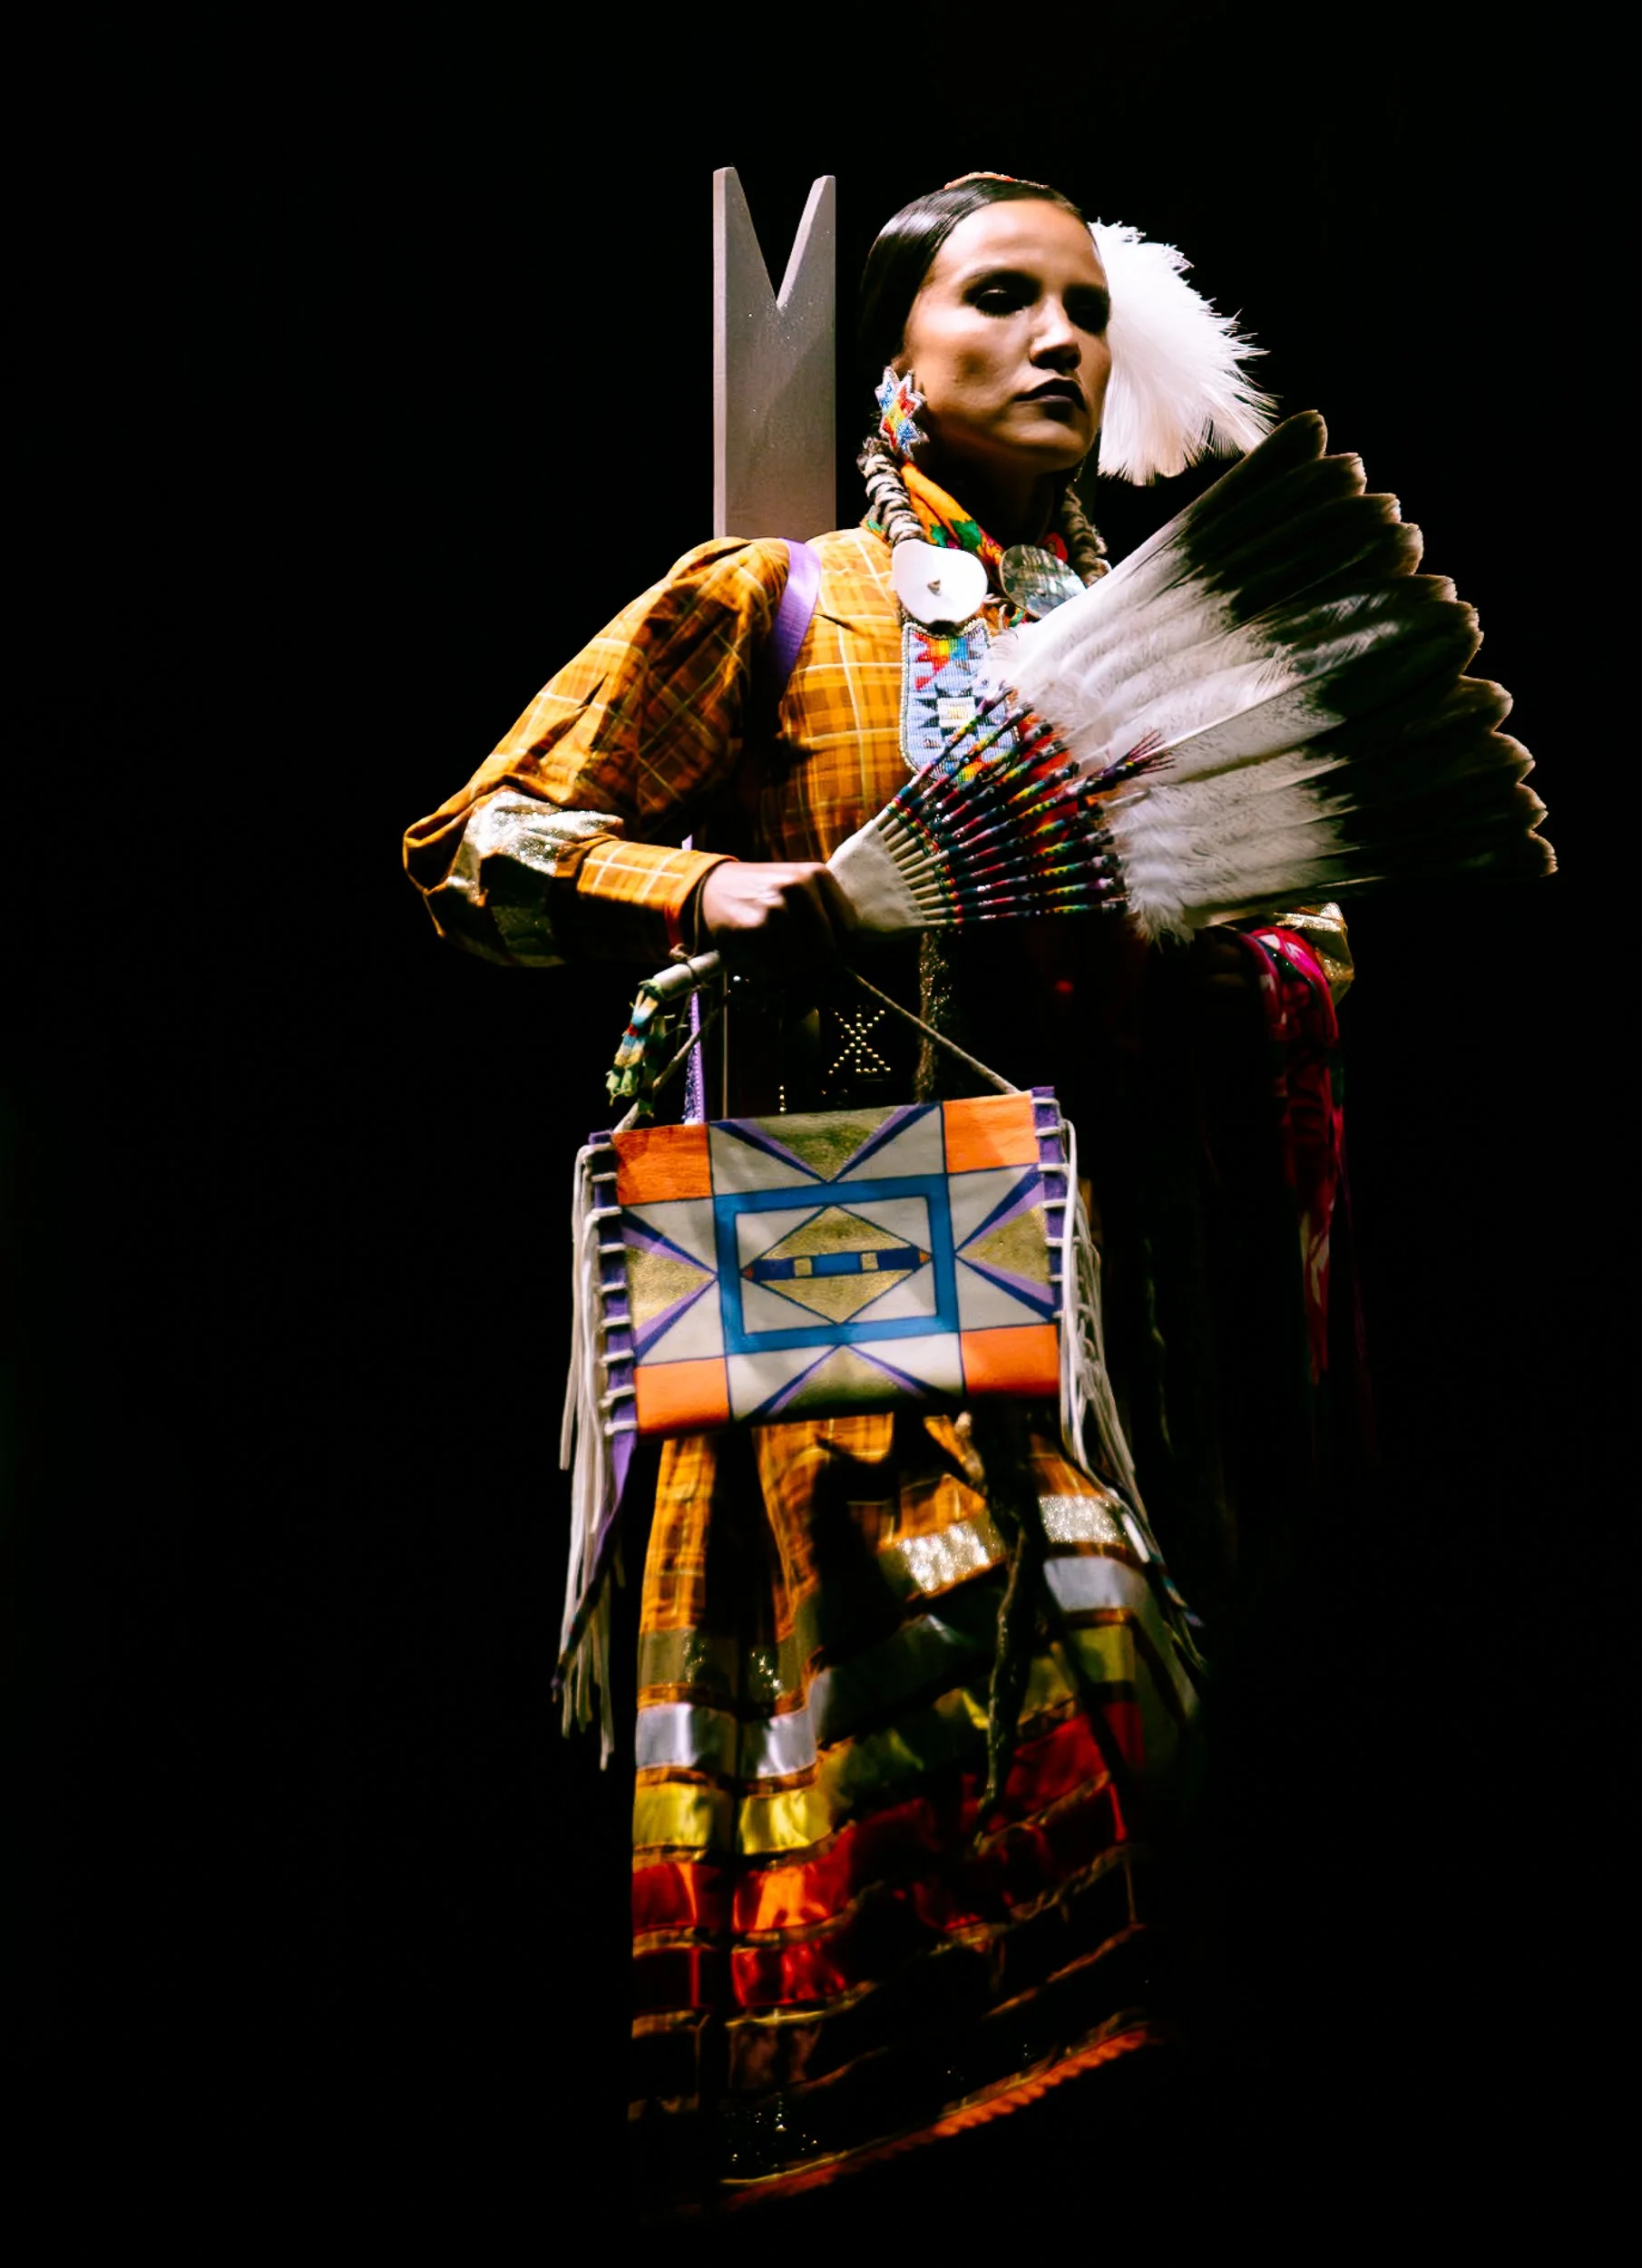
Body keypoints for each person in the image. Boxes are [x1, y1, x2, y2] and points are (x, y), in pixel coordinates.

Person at [404, 173, 1359, 2215]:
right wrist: (701, 884)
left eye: (1085, 309)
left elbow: (1315, 923)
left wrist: (1253, 964)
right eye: (1000, 298)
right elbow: (478, 845)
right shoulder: (780, 601)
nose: (1057, 340)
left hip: (1117, 1317)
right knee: (879, 1793)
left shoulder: (1158, 643)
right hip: (843, 1313)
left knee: (1150, 1790)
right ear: (897, 360)